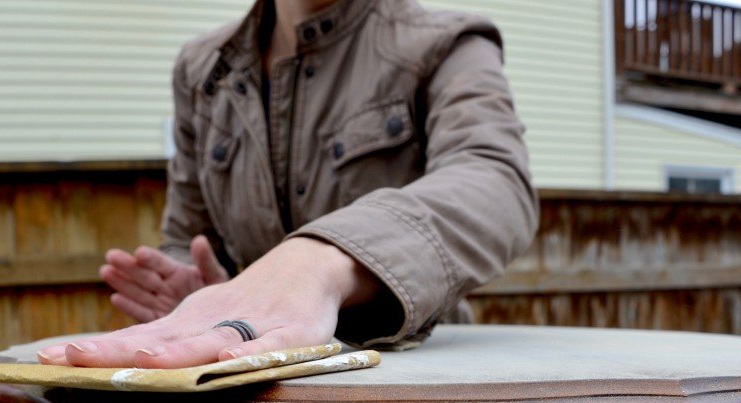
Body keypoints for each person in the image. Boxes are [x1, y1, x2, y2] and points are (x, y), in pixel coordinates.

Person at [38, 0, 537, 369]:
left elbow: (496, 179)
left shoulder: (447, 45)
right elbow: (188, 236)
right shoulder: (201, 71)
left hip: (418, 384)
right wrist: (210, 296)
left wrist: (317, 262)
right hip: (252, 391)